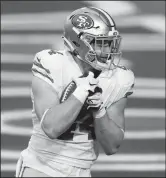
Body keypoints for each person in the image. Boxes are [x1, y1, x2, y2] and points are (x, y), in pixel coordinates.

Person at [15, 6, 135, 177]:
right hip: (41, 167)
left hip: (82, 172)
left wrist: (99, 111)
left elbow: (112, 146)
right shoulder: (53, 64)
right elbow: (51, 127)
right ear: (79, 42)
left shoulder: (120, 78)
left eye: (109, 44)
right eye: (100, 43)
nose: (107, 51)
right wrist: (80, 93)